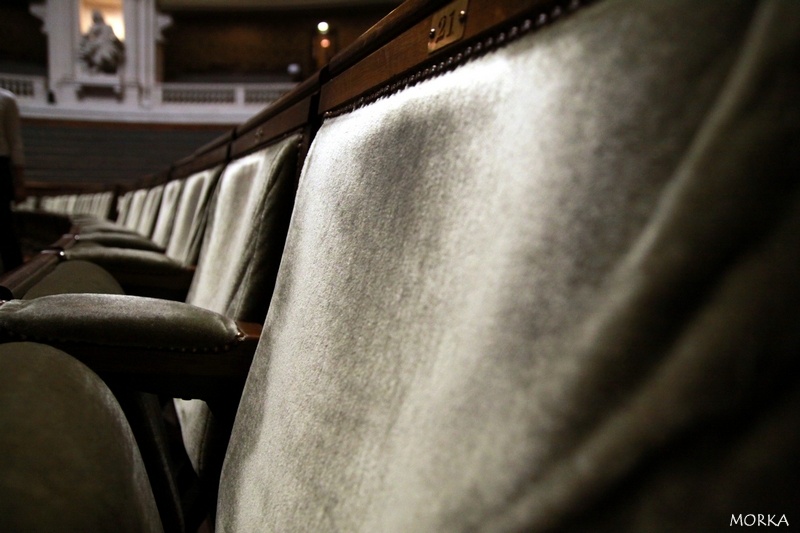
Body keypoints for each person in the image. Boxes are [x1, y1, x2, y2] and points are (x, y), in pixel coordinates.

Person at [0, 88, 25, 273]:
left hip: (0, 166)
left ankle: (15, 279)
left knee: (4, 227)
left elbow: (15, 142)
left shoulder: (6, 99)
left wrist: (19, 183)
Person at [79, 10, 125, 74]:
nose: (97, 18)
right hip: (96, 43)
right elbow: (88, 36)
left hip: (107, 43)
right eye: (96, 17)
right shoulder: (92, 28)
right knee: (93, 49)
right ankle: (96, 67)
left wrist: (117, 42)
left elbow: (112, 36)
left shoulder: (108, 27)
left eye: (98, 16)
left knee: (106, 50)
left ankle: (100, 66)